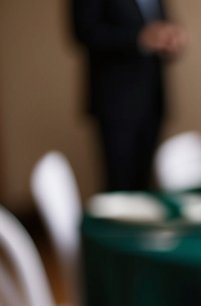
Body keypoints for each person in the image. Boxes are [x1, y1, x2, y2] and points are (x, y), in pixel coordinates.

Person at [70, 0, 187, 191]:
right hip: (116, 102)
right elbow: (85, 31)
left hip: (151, 98)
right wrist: (139, 38)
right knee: (120, 186)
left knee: (145, 183)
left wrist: (172, 38)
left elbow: (161, 23)